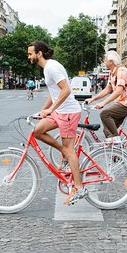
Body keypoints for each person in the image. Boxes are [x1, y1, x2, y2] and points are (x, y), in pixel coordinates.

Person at [27, 40, 87, 205]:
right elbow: (53, 93)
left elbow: (66, 90)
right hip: (59, 111)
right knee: (37, 131)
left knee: (70, 149)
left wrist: (51, 109)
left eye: (30, 53)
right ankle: (64, 152)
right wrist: (43, 110)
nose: (28, 57)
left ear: (39, 53)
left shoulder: (52, 67)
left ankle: (79, 187)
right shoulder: (46, 68)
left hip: (68, 112)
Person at [85, 51, 127, 142]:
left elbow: (118, 91)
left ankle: (116, 143)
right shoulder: (113, 72)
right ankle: (114, 153)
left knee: (105, 114)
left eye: (105, 60)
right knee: (107, 130)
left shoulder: (121, 71)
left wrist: (103, 103)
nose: (104, 62)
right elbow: (107, 89)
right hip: (121, 102)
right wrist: (93, 99)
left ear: (111, 62)